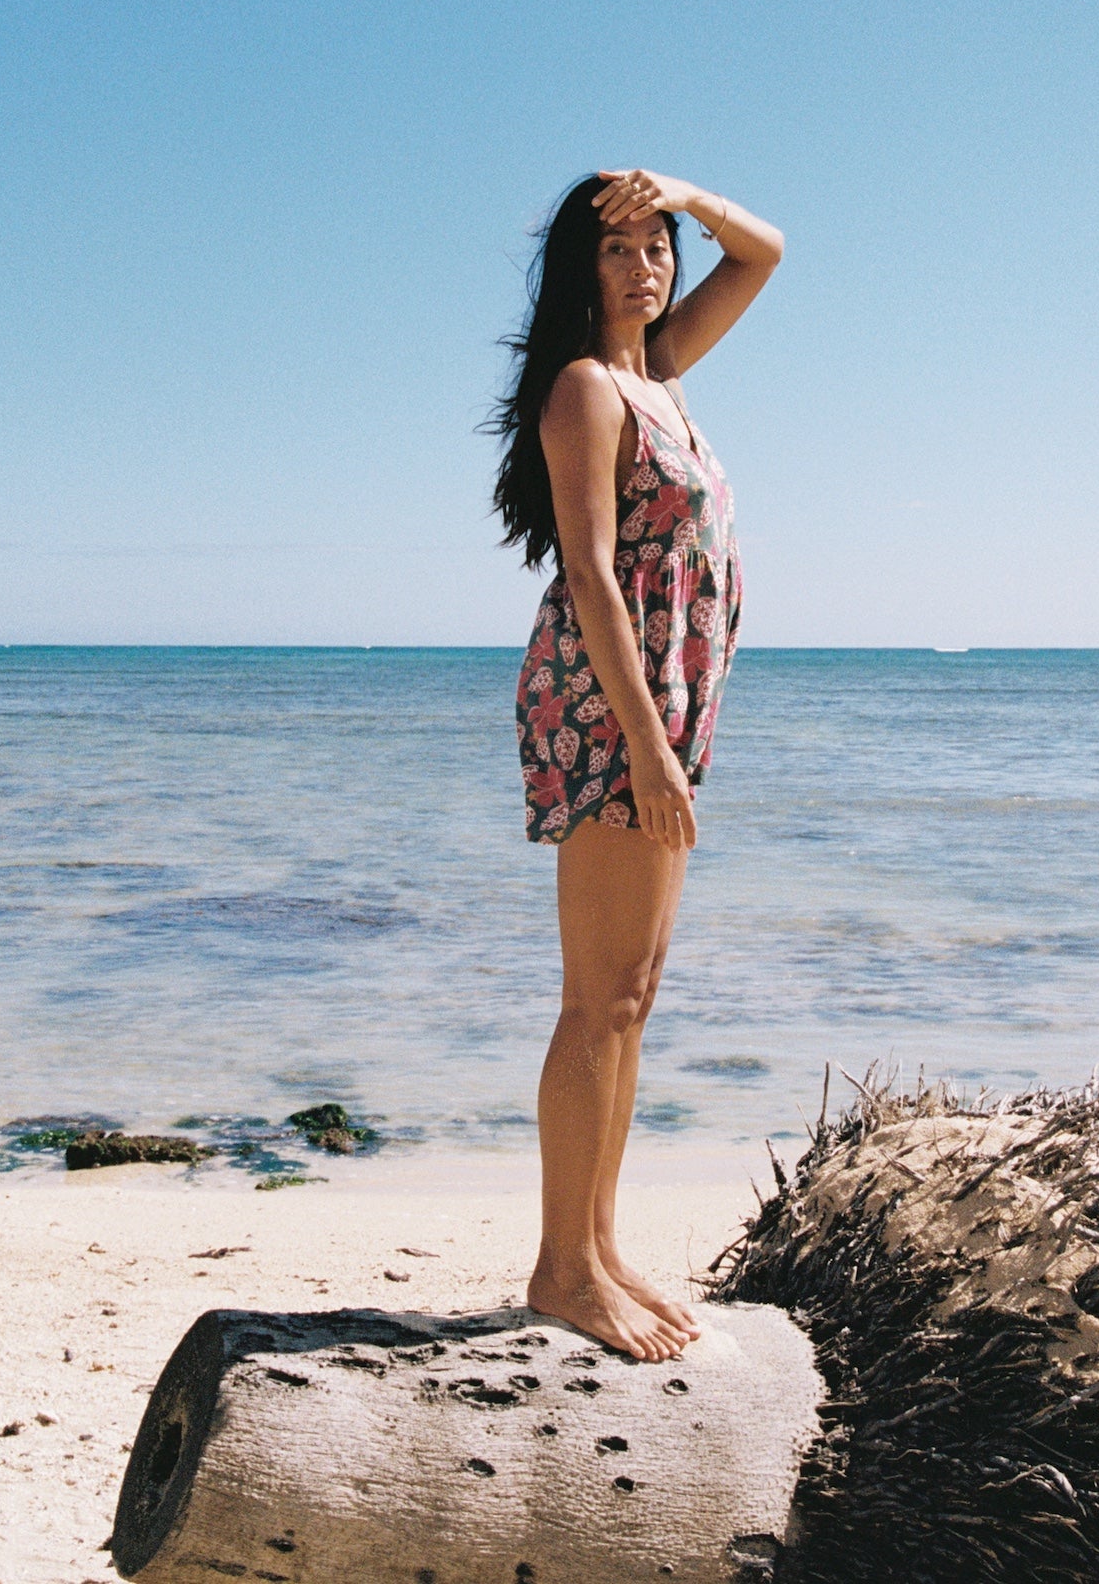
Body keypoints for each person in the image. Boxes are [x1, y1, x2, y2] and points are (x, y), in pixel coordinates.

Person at [492, 167, 783, 1361]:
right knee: (595, 998)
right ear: (579, 269)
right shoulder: (585, 390)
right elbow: (594, 577)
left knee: (633, 996)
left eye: (656, 245)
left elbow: (763, 253)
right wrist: (651, 749)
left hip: (662, 705)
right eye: (617, 250)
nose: (647, 266)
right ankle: (561, 1269)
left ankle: (599, 1247)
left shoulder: (655, 374)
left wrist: (684, 190)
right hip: (614, 711)